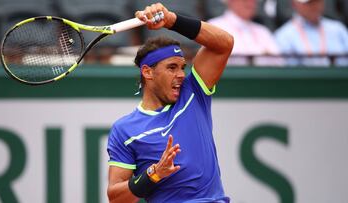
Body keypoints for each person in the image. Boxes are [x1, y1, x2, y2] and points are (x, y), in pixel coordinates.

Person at [106, 2, 234, 203]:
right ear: (148, 72)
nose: (181, 75)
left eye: (182, 67)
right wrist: (154, 174)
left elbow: (224, 44)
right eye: (172, 68)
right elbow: (116, 197)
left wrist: (172, 20)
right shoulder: (125, 129)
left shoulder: (194, 92)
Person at [274, 0, 348, 66]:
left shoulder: (338, 29)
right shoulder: (284, 35)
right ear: (294, 3)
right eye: (309, 3)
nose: (314, 6)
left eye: (317, 1)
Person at [208, 0, 282, 66]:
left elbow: (280, 64)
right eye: (245, 0)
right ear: (230, 1)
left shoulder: (262, 31)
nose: (250, 3)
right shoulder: (215, 26)